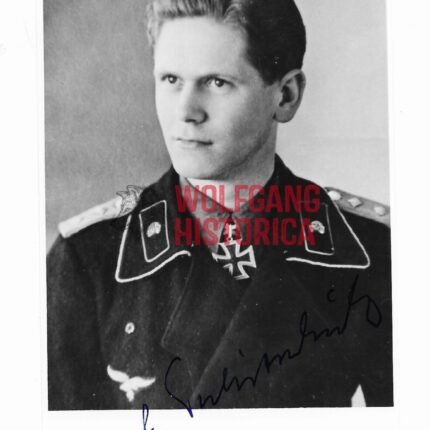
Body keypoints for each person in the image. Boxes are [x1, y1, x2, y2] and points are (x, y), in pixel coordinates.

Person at [47, 0, 393, 411]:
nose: (185, 112)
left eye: (216, 82)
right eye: (171, 79)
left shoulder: (372, 253)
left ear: (285, 96)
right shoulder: (90, 260)